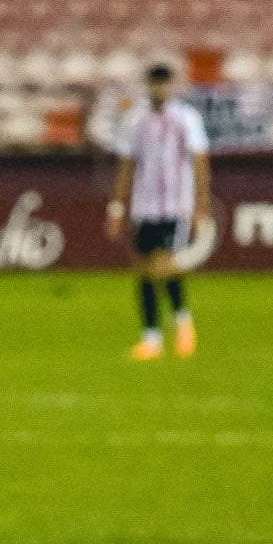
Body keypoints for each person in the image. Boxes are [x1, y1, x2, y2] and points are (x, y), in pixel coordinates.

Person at [105, 63, 211, 361]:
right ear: (148, 85)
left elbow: (199, 159)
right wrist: (116, 206)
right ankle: (151, 337)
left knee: (163, 264)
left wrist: (201, 203)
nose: (159, 89)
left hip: (175, 204)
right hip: (144, 204)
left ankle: (182, 321)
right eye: (155, 83)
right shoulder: (134, 120)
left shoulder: (186, 118)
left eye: (164, 84)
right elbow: (126, 165)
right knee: (143, 268)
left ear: (171, 86)